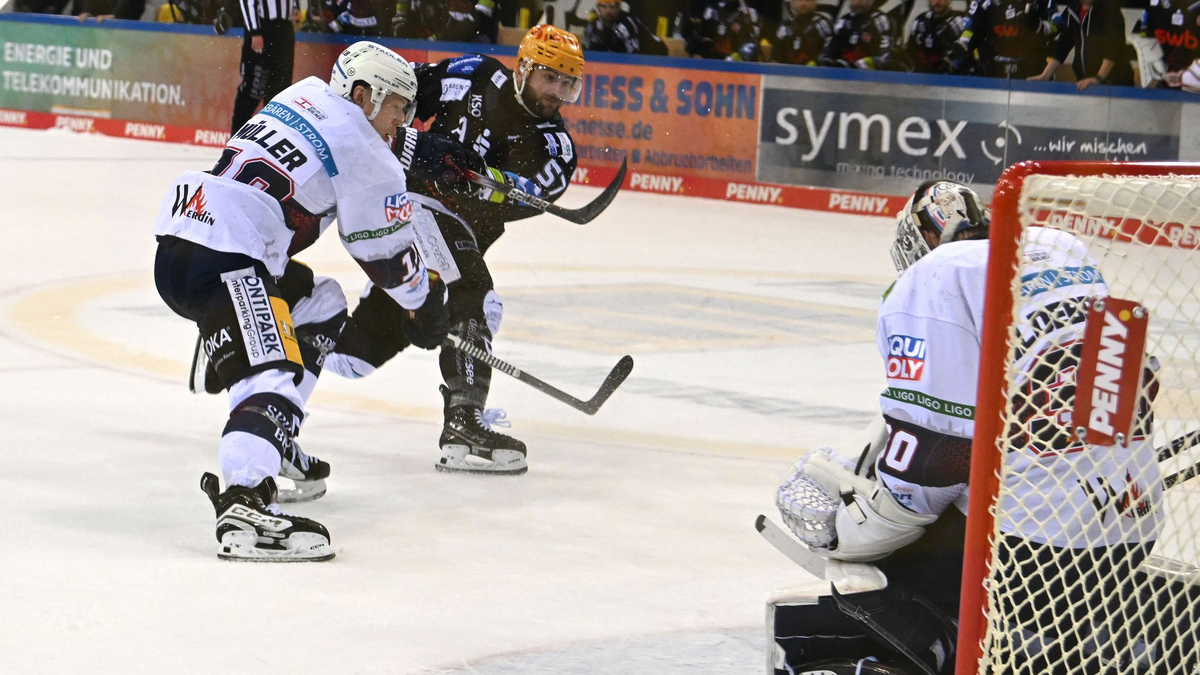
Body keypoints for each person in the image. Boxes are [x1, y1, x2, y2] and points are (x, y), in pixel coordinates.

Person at [768, 181, 1163, 674]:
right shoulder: (1063, 249)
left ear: (921, 240)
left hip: (1031, 552)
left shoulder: (935, 274)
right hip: (1135, 521)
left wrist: (856, 531)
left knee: (871, 565)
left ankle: (951, 656)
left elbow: (934, 458)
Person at [153, 41, 473, 561]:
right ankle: (245, 501)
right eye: (398, 108)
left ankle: (270, 432)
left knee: (320, 303)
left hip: (185, 243)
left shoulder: (303, 94)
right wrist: (424, 301)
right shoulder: (370, 153)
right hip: (229, 257)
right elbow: (382, 253)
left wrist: (416, 150)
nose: (402, 121)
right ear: (364, 95)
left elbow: (342, 143)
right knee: (272, 373)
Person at [324, 25, 584, 477]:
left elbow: (515, 198)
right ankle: (464, 421)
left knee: (352, 358)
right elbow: (402, 94)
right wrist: (414, 146)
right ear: (523, 68)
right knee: (476, 301)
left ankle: (270, 335)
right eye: (549, 77)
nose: (556, 92)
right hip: (405, 201)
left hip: (445, 231)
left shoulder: (555, 148)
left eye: (567, 83)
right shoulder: (473, 72)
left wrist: (481, 179)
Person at [1028, 0, 1133, 89]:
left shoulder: (1111, 12)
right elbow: (1063, 45)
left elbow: (1113, 49)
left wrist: (1098, 78)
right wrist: (1045, 75)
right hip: (1085, 82)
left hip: (1114, 83)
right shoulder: (1072, 10)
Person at [230, 0, 298, 134]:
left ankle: (273, 134)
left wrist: (295, 7)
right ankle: (237, 133)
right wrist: (254, 31)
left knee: (280, 88)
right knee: (254, 87)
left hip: (284, 28)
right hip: (263, 28)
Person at [953, 0, 1056, 79]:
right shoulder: (983, 3)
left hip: (1032, 71)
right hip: (993, 72)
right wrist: (963, 44)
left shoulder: (1040, 2)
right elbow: (968, 30)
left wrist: (1041, 26)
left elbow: (1059, 23)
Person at [817, 0, 904, 70]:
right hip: (844, 77)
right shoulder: (842, 22)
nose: (859, 1)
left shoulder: (880, 20)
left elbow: (886, 54)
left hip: (873, 78)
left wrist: (861, 65)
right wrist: (826, 62)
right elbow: (829, 50)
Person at [905, 0, 970, 74]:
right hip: (924, 77)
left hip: (956, 77)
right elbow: (910, 53)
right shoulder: (920, 21)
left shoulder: (963, 20)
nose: (937, 1)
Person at [686, 0, 764, 60]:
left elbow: (753, 40)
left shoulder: (749, 12)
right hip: (715, 58)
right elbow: (702, 34)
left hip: (737, 59)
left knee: (749, 49)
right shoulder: (712, 10)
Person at [583, 0, 669, 55]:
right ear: (598, 8)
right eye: (604, 6)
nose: (608, 10)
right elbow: (587, 53)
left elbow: (635, 55)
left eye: (612, 6)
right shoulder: (593, 26)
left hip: (656, 56)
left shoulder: (626, 24)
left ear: (619, 7)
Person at [769, 0, 833, 66]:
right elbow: (775, 55)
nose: (804, 4)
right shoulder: (786, 25)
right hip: (787, 71)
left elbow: (829, 52)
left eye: (808, 0)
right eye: (800, 0)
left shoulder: (822, 24)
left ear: (815, 2)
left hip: (815, 70)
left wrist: (818, 63)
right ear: (792, 2)